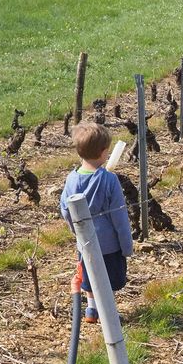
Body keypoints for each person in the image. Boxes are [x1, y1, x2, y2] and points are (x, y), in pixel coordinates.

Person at [60, 123, 133, 323]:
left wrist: (76, 231)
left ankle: (91, 310)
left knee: (90, 276)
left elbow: (65, 210)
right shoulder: (110, 180)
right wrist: (127, 245)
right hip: (109, 245)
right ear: (103, 152)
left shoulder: (71, 179)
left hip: (85, 243)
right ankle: (108, 313)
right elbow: (120, 217)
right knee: (107, 280)